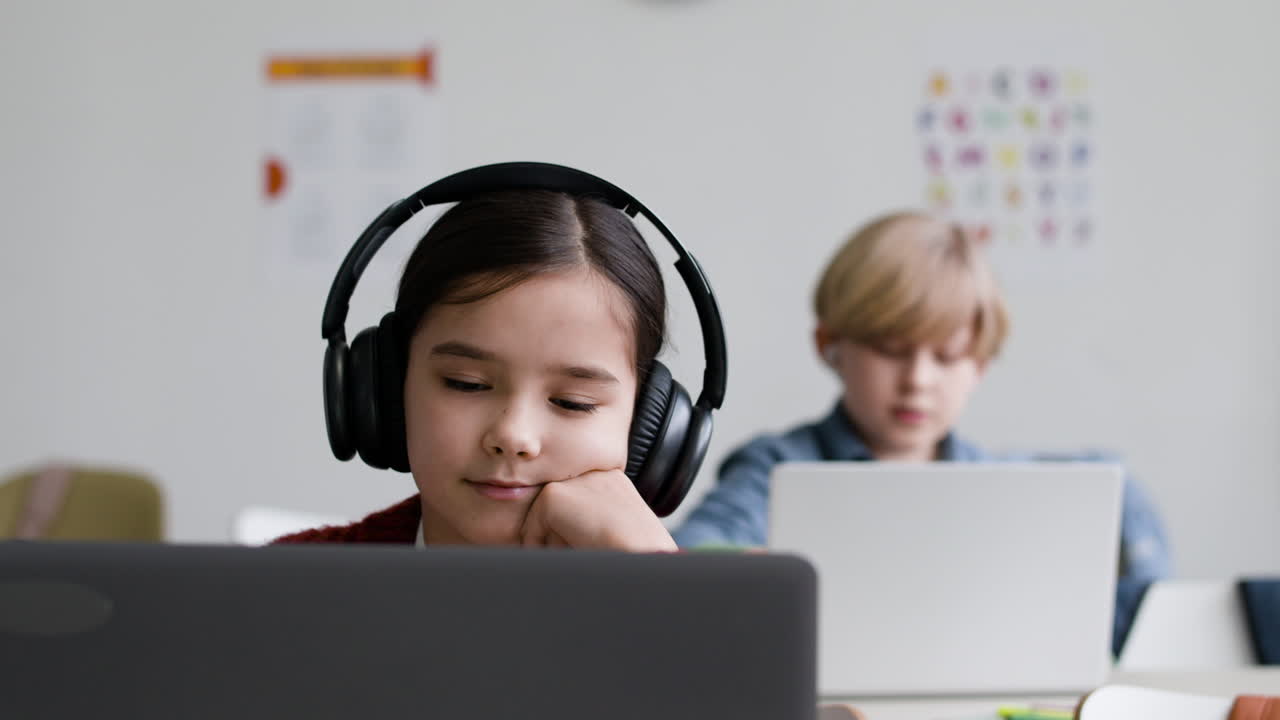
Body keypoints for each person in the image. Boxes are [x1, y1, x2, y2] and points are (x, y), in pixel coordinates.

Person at [671, 210, 1171, 653]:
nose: (918, 381)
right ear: (831, 345)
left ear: (980, 365)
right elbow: (692, 555)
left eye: (947, 357)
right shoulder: (775, 469)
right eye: (892, 351)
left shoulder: (1009, 494)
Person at [276, 166, 721, 552]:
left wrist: (657, 584)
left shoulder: (703, 622)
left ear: (651, 426)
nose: (513, 436)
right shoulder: (278, 591)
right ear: (386, 389)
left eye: (573, 401)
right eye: (466, 383)